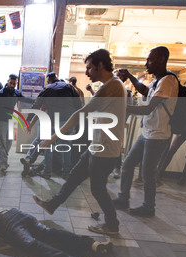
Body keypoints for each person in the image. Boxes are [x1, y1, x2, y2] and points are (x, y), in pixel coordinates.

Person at [33, 49, 127, 235]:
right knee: (75, 175)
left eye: (89, 68)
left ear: (100, 65)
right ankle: (53, 204)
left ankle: (112, 224)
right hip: (99, 146)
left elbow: (81, 113)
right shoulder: (113, 85)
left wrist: (54, 137)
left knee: (97, 189)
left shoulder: (111, 86)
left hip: (105, 150)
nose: (86, 72)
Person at [114, 46, 178, 217]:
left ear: (162, 59)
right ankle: (123, 198)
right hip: (148, 133)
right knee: (127, 165)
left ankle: (149, 207)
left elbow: (149, 108)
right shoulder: (158, 81)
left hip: (158, 136)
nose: (146, 63)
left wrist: (122, 107)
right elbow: (144, 91)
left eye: (150, 59)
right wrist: (129, 76)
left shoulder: (168, 81)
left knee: (147, 173)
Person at [20, 72, 81, 179]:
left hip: (54, 122)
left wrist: (28, 119)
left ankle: (47, 172)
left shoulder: (47, 89)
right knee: (66, 147)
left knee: (48, 145)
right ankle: (66, 172)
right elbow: (78, 105)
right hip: (69, 121)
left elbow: (36, 105)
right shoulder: (69, 87)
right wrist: (77, 124)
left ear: (49, 81)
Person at [0, 73, 24, 172]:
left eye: (14, 83)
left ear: (16, 83)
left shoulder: (16, 92)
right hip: (2, 121)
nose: (12, 85)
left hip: (12, 120)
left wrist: (40, 100)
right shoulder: (0, 93)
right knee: (3, 143)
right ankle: (3, 163)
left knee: (9, 142)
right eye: (11, 83)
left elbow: (26, 99)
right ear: (7, 81)